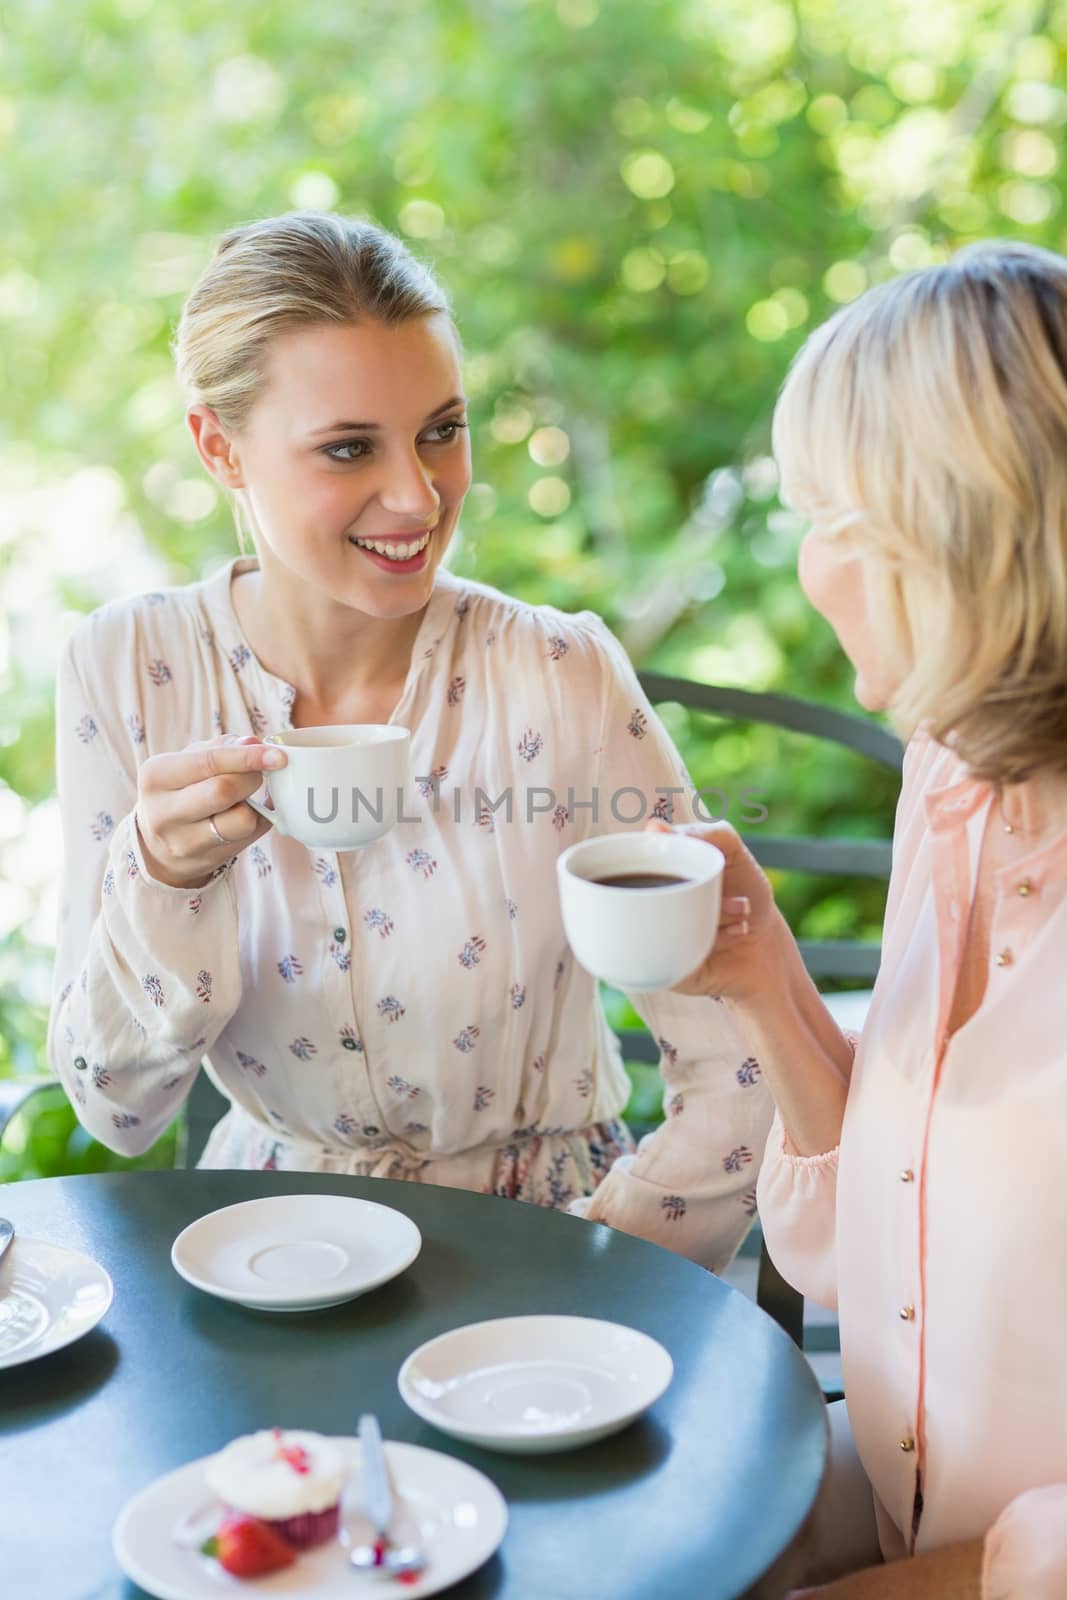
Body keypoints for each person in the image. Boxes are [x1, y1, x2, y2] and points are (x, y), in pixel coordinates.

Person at [46, 210, 772, 1271]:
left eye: (441, 428)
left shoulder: (557, 673)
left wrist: (616, 1269)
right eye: (349, 448)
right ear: (218, 447)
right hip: (269, 1263)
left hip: (549, 1245)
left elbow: (741, 1065)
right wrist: (161, 879)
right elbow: (115, 1108)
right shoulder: (124, 669)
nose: (417, 493)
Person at [659, 240, 1067, 1595]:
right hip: (894, 1508)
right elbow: (866, 1262)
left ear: (956, 541)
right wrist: (762, 979)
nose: (809, 569)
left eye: (835, 521)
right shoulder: (954, 784)